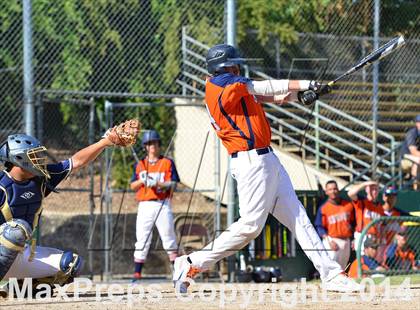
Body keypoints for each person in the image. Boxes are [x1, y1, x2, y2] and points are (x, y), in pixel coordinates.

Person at [172, 44, 361, 293]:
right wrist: (306, 82)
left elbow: (276, 96)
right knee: (250, 226)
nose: (237, 66)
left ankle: (331, 274)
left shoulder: (231, 86)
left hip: (267, 160)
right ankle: (190, 262)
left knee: (298, 217)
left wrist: (308, 94)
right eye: (232, 64)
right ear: (220, 68)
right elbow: (264, 86)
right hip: (251, 163)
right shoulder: (222, 86)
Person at [0, 119, 139, 295]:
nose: (39, 160)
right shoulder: (2, 186)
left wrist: (106, 141)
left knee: (70, 264)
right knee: (16, 231)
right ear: (19, 159)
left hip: (20, 255)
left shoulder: (40, 178)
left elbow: (76, 162)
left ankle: (16, 288)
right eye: (33, 156)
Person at [130, 130, 180, 281]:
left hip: (162, 204)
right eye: (149, 143)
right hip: (144, 205)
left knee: (169, 238)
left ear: (159, 145)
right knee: (142, 239)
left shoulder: (167, 162)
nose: (152, 146)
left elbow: (174, 184)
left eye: (155, 143)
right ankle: (137, 273)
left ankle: (177, 271)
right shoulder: (140, 165)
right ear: (145, 146)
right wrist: (142, 180)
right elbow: (132, 185)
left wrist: (157, 183)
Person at [315, 180, 355, 270]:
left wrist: (353, 238)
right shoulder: (323, 208)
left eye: (335, 189)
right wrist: (329, 241)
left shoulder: (348, 205)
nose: (333, 191)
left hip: (346, 240)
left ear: (338, 190)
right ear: (326, 192)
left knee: (343, 267)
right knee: (331, 266)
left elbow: (354, 223)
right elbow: (319, 227)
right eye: (330, 189)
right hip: (332, 240)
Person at [347, 180, 384, 255]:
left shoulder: (380, 207)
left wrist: (379, 237)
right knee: (362, 260)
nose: (373, 191)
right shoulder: (361, 201)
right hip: (362, 235)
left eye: (375, 189)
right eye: (371, 188)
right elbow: (350, 193)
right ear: (366, 189)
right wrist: (365, 184)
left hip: (374, 237)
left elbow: (380, 225)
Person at [400, 115, 420, 189]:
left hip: (416, 157)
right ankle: (415, 188)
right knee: (418, 161)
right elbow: (413, 152)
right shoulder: (412, 133)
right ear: (417, 124)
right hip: (406, 156)